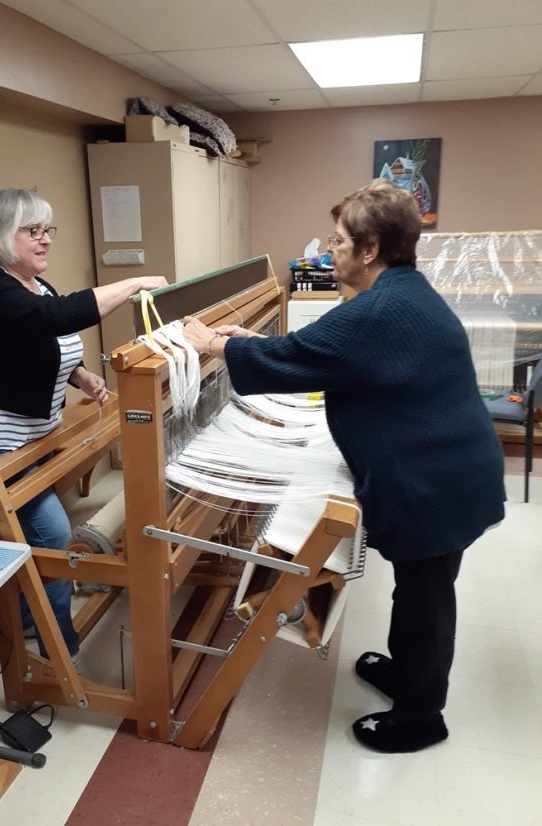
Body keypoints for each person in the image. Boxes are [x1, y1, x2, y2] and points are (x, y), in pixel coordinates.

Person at [182, 178, 505, 753]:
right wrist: (239, 343)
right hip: (448, 471)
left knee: (428, 601)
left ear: (370, 249)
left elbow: (295, 355)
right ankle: (407, 677)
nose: (328, 253)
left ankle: (420, 716)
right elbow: (317, 351)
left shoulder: (377, 310)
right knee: (417, 592)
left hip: (436, 485)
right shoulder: (403, 293)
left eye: (337, 242)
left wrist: (213, 345)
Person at [0, 186, 167, 669]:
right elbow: (54, 318)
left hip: (27, 431)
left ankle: (30, 614)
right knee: (52, 536)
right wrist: (131, 285)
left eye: (48, 231)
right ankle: (59, 650)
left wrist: (80, 373)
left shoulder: (31, 282)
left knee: (40, 532)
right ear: (1, 236)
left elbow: (42, 337)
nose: (45, 241)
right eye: (32, 231)